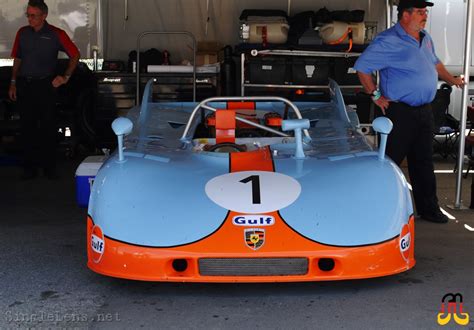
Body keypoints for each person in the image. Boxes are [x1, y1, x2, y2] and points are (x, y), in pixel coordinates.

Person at [354, 0, 464, 223]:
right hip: (399, 112)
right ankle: (378, 207)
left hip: (424, 110)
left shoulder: (425, 38)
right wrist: (375, 96)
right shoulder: (388, 40)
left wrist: (452, 80)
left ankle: (429, 209)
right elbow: (362, 67)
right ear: (405, 15)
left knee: (423, 161)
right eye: (421, 12)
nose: (425, 16)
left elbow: (436, 64)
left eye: (426, 12)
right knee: (390, 162)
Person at [8, 0, 80, 180]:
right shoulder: (22, 33)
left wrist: (65, 77)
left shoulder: (56, 34)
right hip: (25, 84)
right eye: (28, 15)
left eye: (33, 15)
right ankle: (29, 170)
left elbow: (75, 54)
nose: (30, 18)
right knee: (27, 127)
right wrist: (13, 81)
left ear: (44, 16)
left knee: (48, 127)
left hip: (46, 85)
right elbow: (17, 59)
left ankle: (50, 169)